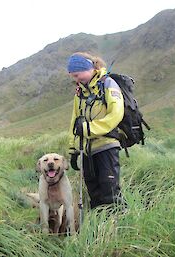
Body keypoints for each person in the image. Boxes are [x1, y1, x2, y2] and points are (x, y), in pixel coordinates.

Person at [67, 52, 125, 210]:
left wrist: (88, 129)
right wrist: (73, 149)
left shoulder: (108, 84)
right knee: (95, 195)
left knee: (110, 193)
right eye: (73, 77)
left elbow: (116, 114)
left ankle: (120, 229)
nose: (76, 80)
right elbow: (75, 120)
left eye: (78, 75)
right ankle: (99, 230)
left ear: (89, 68)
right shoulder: (80, 92)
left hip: (107, 146)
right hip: (87, 151)